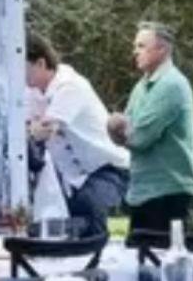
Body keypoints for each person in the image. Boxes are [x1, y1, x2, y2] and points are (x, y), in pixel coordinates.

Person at [25, 36, 129, 237]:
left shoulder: (70, 86)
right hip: (74, 180)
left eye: (25, 68)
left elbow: (45, 128)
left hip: (105, 172)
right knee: (78, 236)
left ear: (40, 63)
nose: (21, 76)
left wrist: (29, 129)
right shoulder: (35, 91)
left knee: (99, 235)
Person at [106, 22, 193, 233]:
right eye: (135, 46)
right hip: (145, 191)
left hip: (168, 191)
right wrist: (117, 130)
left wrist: (116, 128)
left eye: (141, 46)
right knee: (142, 258)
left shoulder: (171, 84)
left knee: (160, 260)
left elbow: (139, 138)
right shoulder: (141, 86)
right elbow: (125, 135)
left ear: (162, 50)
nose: (135, 52)